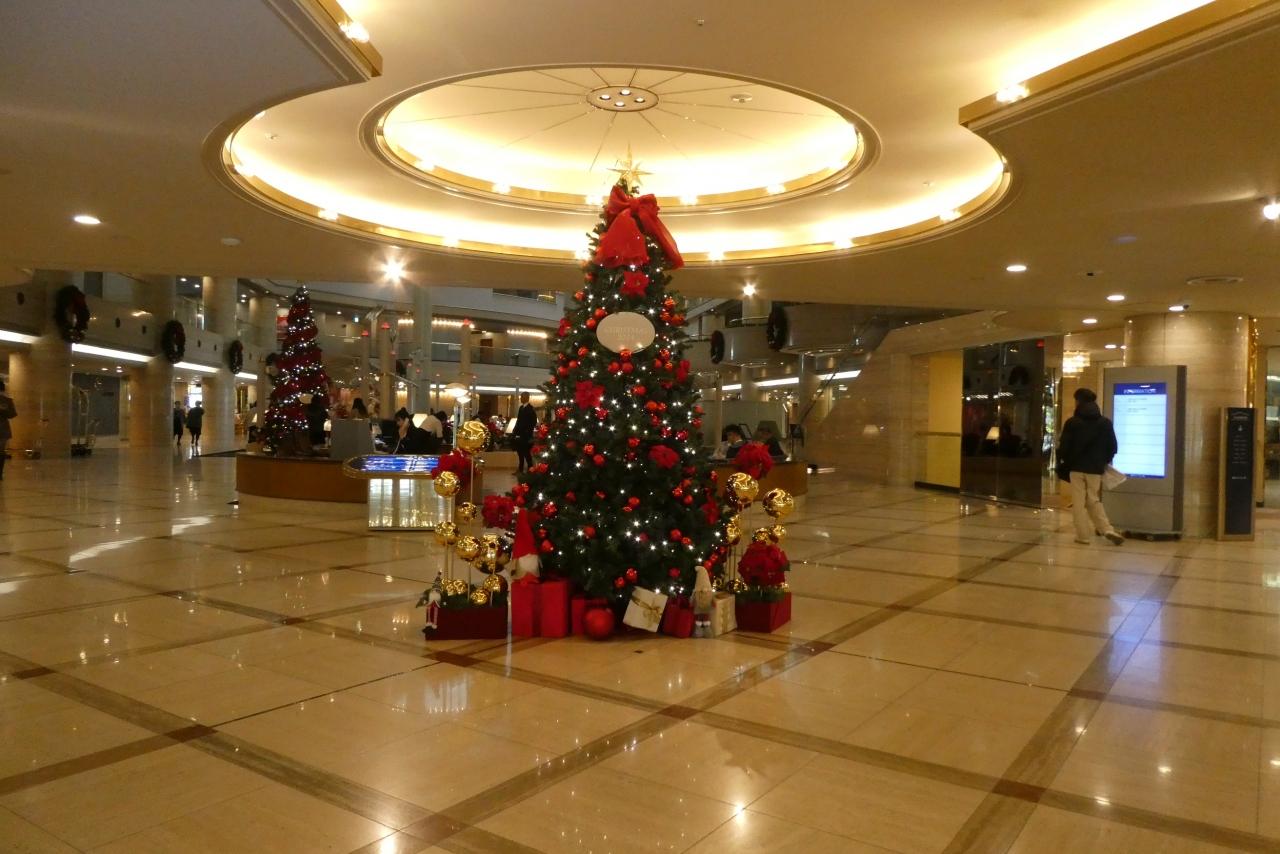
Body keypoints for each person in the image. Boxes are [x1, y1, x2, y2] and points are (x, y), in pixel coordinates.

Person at [1057, 388, 1124, 546]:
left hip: (1076, 468)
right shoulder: (1105, 423)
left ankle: (1083, 536)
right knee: (1093, 499)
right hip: (1095, 468)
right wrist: (1102, 461)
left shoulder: (1072, 423)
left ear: (1078, 401)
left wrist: (1065, 461)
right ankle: (1106, 529)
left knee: (1078, 503)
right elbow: (1113, 447)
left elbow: (1064, 447)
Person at [512, 392, 537, 473]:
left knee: (526, 453)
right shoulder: (521, 408)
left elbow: (533, 422)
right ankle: (520, 469)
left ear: (527, 398)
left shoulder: (531, 409)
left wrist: (527, 432)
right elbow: (519, 420)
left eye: (522, 397)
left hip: (526, 435)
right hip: (519, 434)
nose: (520, 398)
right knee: (520, 453)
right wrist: (515, 430)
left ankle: (530, 469)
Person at [0, 381, 16, 481]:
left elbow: (13, 413)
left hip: (2, 429)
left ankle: (0, 473)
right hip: (3, 429)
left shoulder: (7, 400)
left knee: (1, 451)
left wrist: (3, 410)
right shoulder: (7, 400)